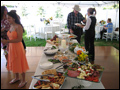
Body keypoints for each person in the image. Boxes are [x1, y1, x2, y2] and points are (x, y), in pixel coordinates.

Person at [1, 11, 29, 88]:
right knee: (14, 61)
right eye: (7, 18)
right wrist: (8, 44)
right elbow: (10, 37)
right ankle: (17, 77)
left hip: (18, 47)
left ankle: (23, 80)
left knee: (20, 62)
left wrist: (7, 41)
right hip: (11, 47)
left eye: (9, 18)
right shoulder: (11, 26)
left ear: (13, 18)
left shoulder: (18, 26)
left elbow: (19, 39)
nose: (7, 19)